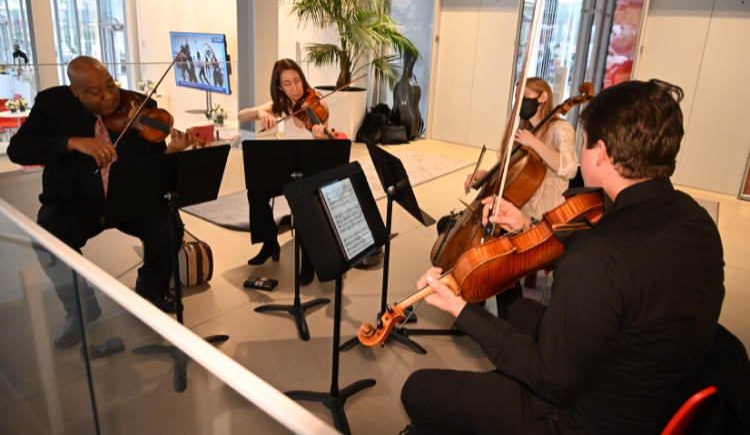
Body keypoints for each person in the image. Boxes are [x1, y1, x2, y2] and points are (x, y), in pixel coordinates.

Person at [400, 79, 725, 435]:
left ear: (601, 153)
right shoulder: (695, 218)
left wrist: (462, 310)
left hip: (589, 418)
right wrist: (526, 223)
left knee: (418, 389)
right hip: (659, 383)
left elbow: (552, 380)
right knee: (521, 311)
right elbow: (617, 257)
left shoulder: (595, 261)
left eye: (585, 142)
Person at [7, 56, 193, 349]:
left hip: (130, 196)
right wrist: (72, 142)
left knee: (169, 224)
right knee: (48, 234)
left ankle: (150, 288)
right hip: (76, 201)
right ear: (75, 91)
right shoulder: (52, 105)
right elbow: (18, 149)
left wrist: (171, 153)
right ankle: (80, 310)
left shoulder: (138, 106)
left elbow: (154, 165)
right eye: (94, 92)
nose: (108, 97)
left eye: (111, 85)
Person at [442, 77, 578, 316]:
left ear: (542, 97)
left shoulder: (561, 128)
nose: (519, 102)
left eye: (523, 96)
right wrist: (485, 176)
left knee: (497, 254)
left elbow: (570, 168)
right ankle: (473, 302)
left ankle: (509, 320)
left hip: (540, 222)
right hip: (514, 211)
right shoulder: (523, 129)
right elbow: (510, 171)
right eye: (517, 98)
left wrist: (533, 142)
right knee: (449, 225)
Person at [237, 58, 330, 285]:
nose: (295, 88)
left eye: (297, 80)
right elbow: (242, 115)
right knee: (256, 191)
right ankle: (270, 243)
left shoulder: (318, 103)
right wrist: (260, 113)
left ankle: (308, 261)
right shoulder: (283, 104)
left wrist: (321, 138)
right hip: (290, 170)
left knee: (300, 201)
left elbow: (328, 147)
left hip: (313, 172)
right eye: (287, 83)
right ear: (280, 87)